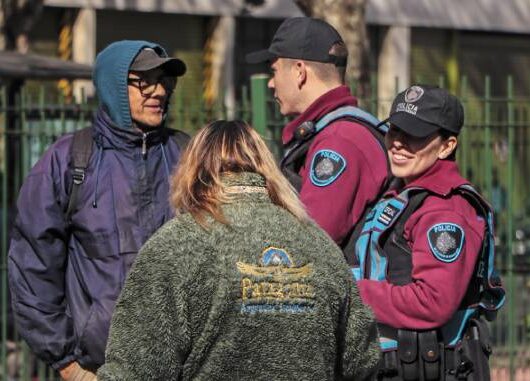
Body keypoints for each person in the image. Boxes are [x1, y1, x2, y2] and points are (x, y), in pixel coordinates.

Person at [95, 120, 381, 381]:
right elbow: (362, 362)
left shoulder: (175, 244)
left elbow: (133, 369)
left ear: (191, 170)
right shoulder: (320, 245)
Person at [8, 40, 188, 381]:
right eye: (145, 80)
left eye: (165, 81)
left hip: (184, 368)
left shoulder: (188, 155)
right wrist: (70, 367)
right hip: (98, 369)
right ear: (114, 84)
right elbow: (32, 268)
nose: (159, 91)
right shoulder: (68, 160)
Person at [347, 85, 505, 380]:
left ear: (447, 146)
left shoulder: (445, 210)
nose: (397, 143)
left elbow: (432, 302)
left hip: (432, 367)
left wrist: (348, 292)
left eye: (415, 136)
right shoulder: (402, 193)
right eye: (394, 131)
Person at [246, 17, 388, 248]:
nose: (271, 83)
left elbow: (309, 242)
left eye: (275, 70)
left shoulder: (339, 141)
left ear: (299, 71)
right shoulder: (334, 132)